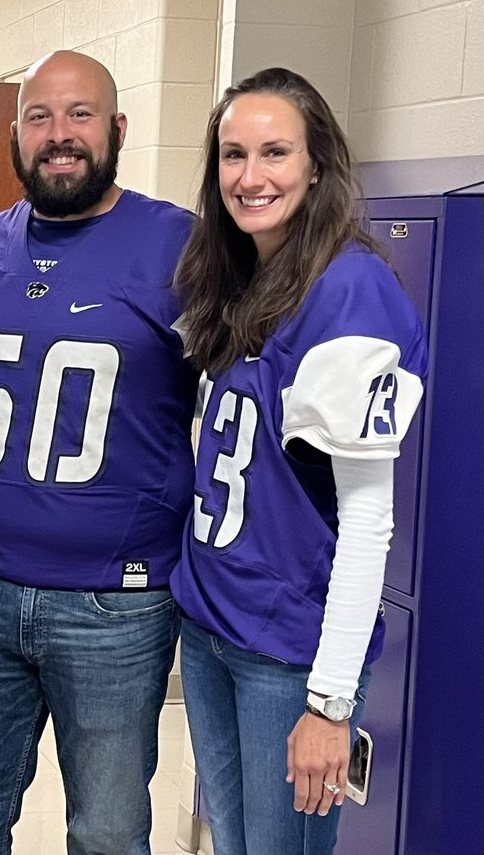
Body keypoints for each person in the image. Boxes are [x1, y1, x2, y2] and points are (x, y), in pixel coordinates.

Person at [0, 50, 197, 854]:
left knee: (109, 838)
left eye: (79, 115)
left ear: (117, 129)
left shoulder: (181, 247)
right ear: (15, 135)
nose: (59, 135)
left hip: (118, 605)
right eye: (39, 117)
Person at [170, 67, 427, 855]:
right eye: (233, 155)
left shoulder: (350, 290)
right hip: (212, 626)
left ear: (318, 164)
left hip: (284, 654)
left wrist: (330, 702)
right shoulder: (240, 272)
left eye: (275, 153)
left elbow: (368, 521)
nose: (250, 177)